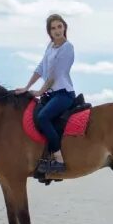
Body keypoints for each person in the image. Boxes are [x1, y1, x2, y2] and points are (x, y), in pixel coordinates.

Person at [15, 14, 75, 173]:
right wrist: (27, 87)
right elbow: (41, 68)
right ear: (49, 32)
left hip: (64, 94)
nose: (57, 31)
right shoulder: (50, 46)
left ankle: (59, 159)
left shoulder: (67, 47)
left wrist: (41, 91)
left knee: (43, 117)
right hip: (51, 94)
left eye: (59, 27)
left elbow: (55, 74)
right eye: (53, 28)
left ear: (64, 27)